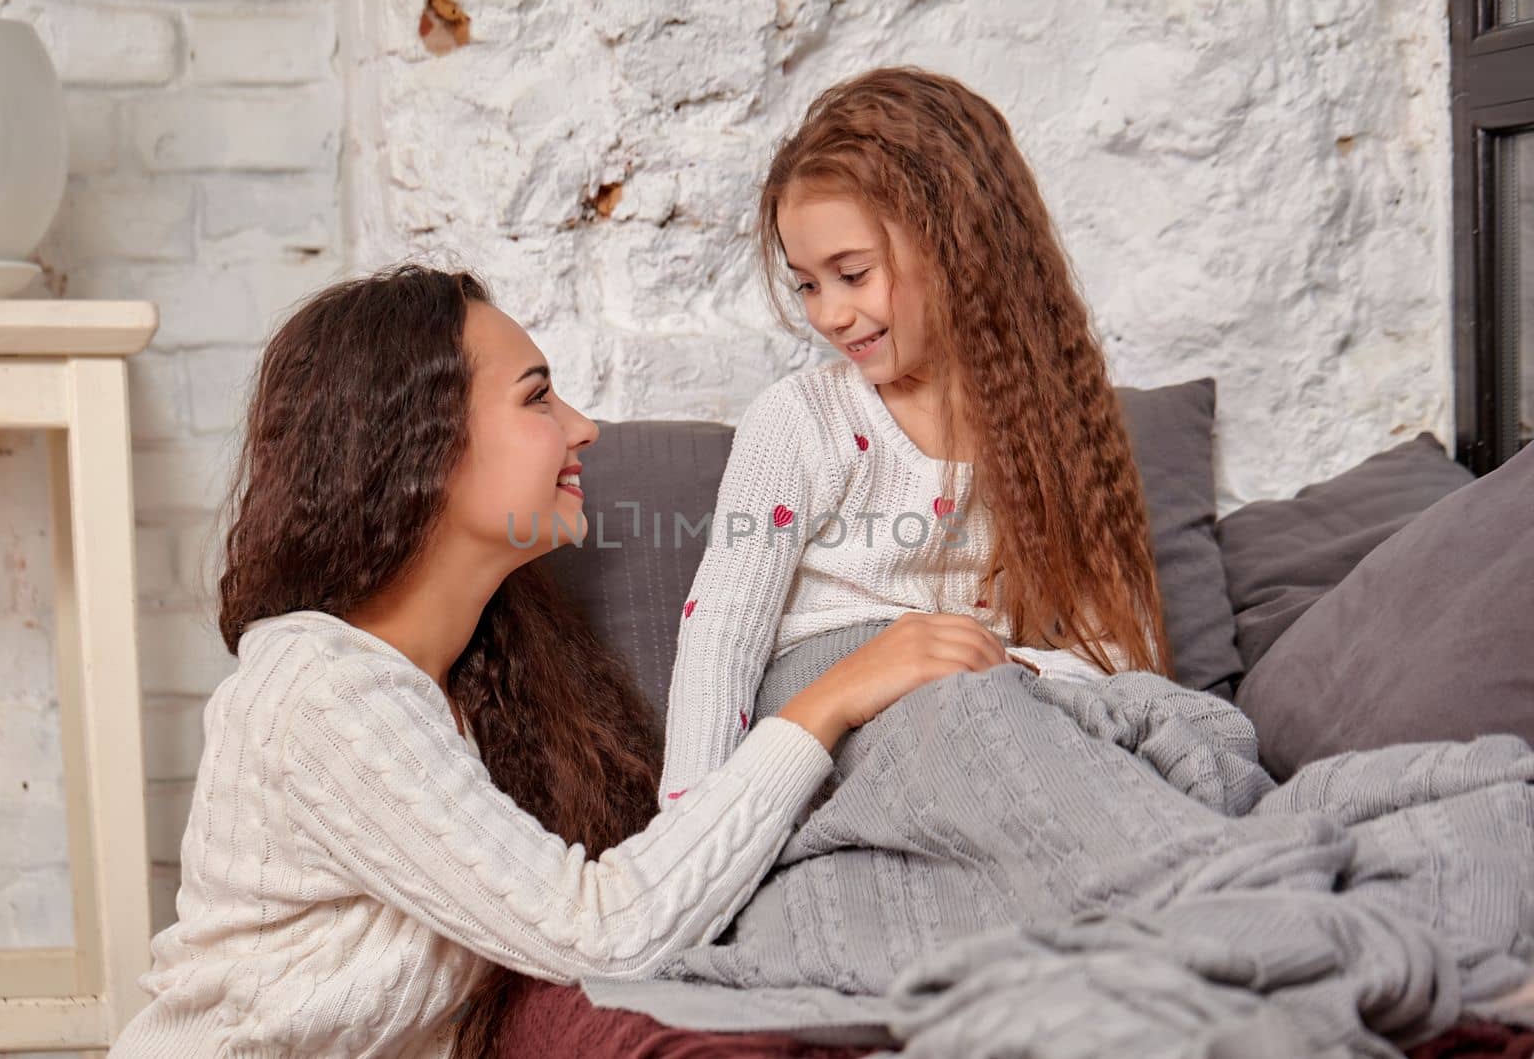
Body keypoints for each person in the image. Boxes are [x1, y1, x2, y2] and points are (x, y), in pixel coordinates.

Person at [107, 265, 1007, 1058]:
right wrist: (823, 705)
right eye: (538, 397)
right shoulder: (319, 690)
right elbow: (603, 933)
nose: (583, 428)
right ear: (419, 442)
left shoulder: (481, 684)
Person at [661, 66, 1174, 808]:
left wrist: (1021, 673)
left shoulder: (1047, 428)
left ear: (960, 247)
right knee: (978, 718)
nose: (830, 314)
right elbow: (722, 641)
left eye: (852, 273)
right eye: (808, 283)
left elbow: (1124, 660)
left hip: (990, 693)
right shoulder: (801, 420)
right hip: (842, 687)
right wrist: (688, 842)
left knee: (1188, 722)